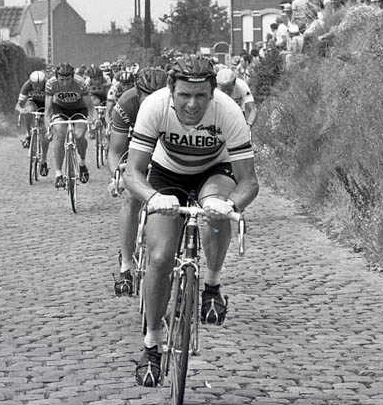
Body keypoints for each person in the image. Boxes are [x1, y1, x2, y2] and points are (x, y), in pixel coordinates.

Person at [124, 55, 259, 387]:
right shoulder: (154, 106)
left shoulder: (229, 112)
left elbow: (249, 183)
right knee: (160, 256)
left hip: (214, 172)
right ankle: (152, 345)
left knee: (215, 210)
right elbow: (133, 173)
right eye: (184, 95)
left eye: (201, 96)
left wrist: (230, 206)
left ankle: (211, 285)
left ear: (213, 92)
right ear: (172, 90)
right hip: (166, 174)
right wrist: (154, 199)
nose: (192, 104)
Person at [107, 67, 170, 296]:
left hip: (165, 153)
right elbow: (115, 151)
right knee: (130, 197)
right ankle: (126, 266)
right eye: (146, 95)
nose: (152, 100)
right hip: (134, 151)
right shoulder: (126, 103)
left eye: (158, 94)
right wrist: (117, 177)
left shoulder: (175, 104)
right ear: (137, 91)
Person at [44, 63, 98, 189]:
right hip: (60, 109)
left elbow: (90, 108)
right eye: (61, 80)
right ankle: (58, 174)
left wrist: (94, 120)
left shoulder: (80, 83)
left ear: (72, 77)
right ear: (57, 78)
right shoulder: (51, 84)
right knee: (59, 135)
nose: (65, 83)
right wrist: (49, 127)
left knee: (79, 136)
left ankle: (82, 164)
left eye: (68, 80)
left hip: (79, 108)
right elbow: (47, 110)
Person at [15, 70, 51, 176]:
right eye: (35, 85)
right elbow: (18, 104)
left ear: (44, 83)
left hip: (46, 105)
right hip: (33, 102)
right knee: (28, 110)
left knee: (45, 134)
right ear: (31, 83)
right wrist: (21, 110)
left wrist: (49, 115)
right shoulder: (26, 86)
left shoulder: (49, 85)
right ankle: (29, 134)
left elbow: (54, 103)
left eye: (40, 85)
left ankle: (44, 159)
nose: (38, 88)